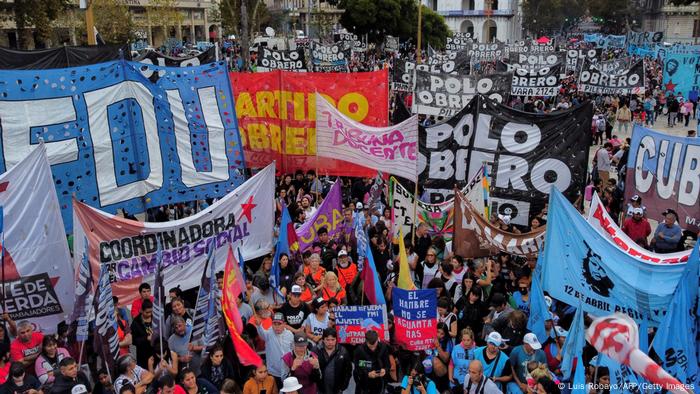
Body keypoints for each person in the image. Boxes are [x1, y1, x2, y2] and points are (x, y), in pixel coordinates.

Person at [254, 312, 294, 389]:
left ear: (284, 324)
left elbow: (292, 349)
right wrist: (259, 326)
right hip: (273, 372)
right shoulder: (269, 333)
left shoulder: (290, 335)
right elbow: (262, 333)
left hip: (287, 371)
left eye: (279, 324)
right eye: (274, 324)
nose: (277, 327)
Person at [313, 328, 352, 394]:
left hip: (337, 389)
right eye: (327, 340)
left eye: (332, 339)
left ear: (336, 340)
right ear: (323, 340)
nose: (330, 342)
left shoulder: (343, 351)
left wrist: (343, 387)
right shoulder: (315, 351)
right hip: (320, 389)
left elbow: (348, 371)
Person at [353, 330, 389, 394]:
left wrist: (385, 370)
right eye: (370, 346)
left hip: (380, 383)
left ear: (378, 339)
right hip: (364, 385)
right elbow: (357, 368)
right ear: (366, 341)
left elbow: (387, 364)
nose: (373, 348)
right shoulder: (359, 350)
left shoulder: (383, 347)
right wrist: (367, 374)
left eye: (374, 346)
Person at [131, 299, 156, 369]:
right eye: (147, 312)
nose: (149, 314)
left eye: (151, 312)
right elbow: (133, 340)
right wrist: (146, 338)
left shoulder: (155, 319)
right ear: (141, 310)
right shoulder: (136, 322)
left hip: (155, 351)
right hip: (143, 355)